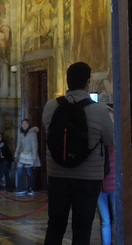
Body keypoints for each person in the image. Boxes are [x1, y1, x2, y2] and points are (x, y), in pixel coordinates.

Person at [42, 62, 114, 245]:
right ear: (88, 81)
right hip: (88, 178)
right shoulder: (100, 110)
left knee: (55, 226)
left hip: (57, 174)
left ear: (67, 81)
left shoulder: (50, 106)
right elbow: (111, 141)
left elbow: (48, 133)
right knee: (82, 229)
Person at [97, 105, 116, 245]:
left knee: (117, 220)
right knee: (105, 221)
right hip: (100, 186)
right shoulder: (97, 139)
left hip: (115, 185)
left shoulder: (118, 140)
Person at [14, 118, 41, 195]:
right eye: (23, 124)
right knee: (19, 172)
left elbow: (34, 145)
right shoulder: (21, 133)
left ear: (28, 125)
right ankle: (21, 189)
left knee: (30, 173)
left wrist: (34, 157)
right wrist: (16, 154)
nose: (24, 125)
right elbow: (18, 145)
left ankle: (32, 188)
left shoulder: (32, 133)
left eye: (26, 123)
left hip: (30, 155)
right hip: (22, 155)